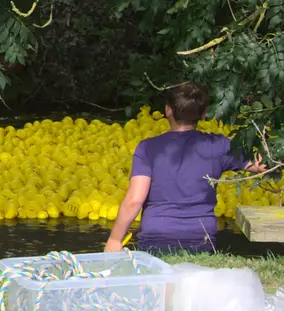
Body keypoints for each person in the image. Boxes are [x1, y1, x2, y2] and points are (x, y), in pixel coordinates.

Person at [106, 82, 264, 253]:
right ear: (204, 115)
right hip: (201, 240)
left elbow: (134, 200)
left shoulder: (148, 148)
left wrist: (115, 240)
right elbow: (261, 164)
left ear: (168, 110)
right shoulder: (220, 146)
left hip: (156, 240)